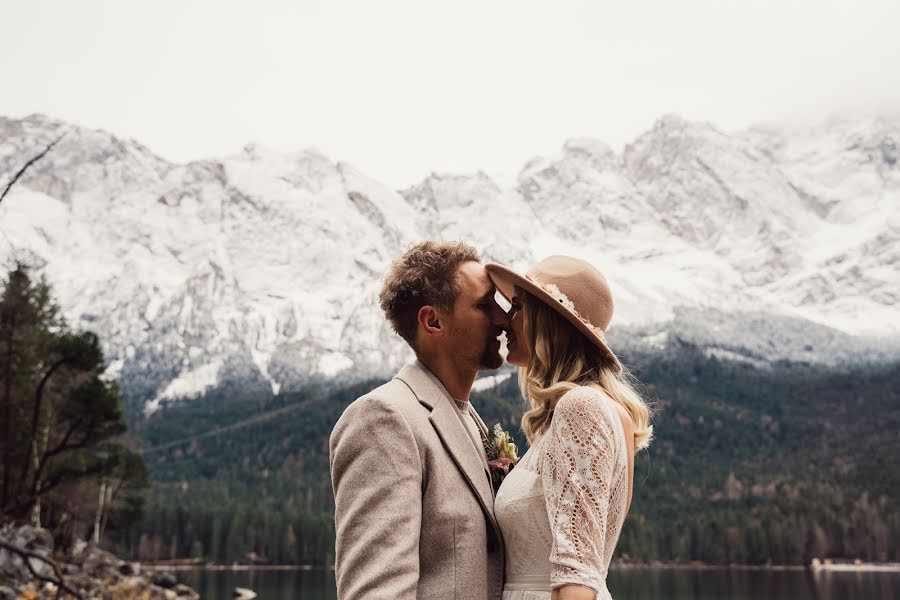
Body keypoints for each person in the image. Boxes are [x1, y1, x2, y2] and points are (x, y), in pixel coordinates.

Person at [329, 240, 510, 599]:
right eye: (484, 306)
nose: (503, 319)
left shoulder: (471, 420)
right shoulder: (383, 419)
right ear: (432, 321)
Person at [486, 256, 653, 600]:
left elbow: (577, 573)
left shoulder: (581, 407)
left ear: (547, 321)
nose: (505, 321)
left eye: (517, 307)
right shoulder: (604, 409)